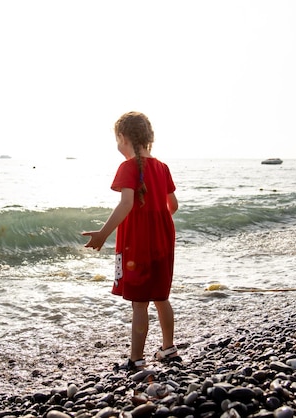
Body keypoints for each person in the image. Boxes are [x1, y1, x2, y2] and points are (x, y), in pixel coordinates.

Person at [82, 111, 180, 371]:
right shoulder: (162, 167)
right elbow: (173, 205)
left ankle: (136, 359)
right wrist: (155, 220)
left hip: (138, 241)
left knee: (140, 302)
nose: (117, 145)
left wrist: (103, 234)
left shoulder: (127, 167)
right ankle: (168, 349)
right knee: (161, 296)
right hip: (164, 238)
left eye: (117, 139)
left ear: (123, 137)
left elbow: (126, 204)